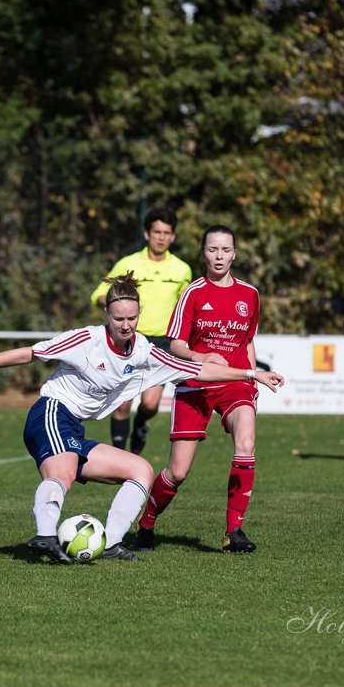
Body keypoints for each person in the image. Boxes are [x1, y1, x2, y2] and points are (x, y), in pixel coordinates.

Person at [0, 272, 284, 564]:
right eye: (118, 318)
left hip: (74, 428)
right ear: (106, 313)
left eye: (131, 319)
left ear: (138, 315)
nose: (125, 325)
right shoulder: (86, 340)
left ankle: (113, 543)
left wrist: (252, 375)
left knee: (141, 470)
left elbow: (196, 369)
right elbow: (27, 353)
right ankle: (45, 536)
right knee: (62, 473)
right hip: (50, 413)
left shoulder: (144, 351)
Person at [135, 225, 264, 553]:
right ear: (203, 253)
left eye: (225, 250)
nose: (219, 256)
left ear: (235, 253)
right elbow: (175, 344)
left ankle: (234, 531)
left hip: (235, 384)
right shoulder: (193, 293)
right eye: (212, 250)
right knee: (177, 472)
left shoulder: (250, 295)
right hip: (195, 384)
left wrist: (251, 379)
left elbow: (248, 342)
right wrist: (200, 355)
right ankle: (147, 521)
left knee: (246, 443)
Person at [89, 207, 192, 455]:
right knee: (122, 404)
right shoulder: (128, 264)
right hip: (129, 340)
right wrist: (113, 304)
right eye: (156, 231)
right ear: (147, 234)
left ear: (173, 237)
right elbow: (98, 295)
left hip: (162, 344)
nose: (161, 237)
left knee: (150, 403)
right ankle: (119, 457)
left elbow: (185, 308)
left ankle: (142, 424)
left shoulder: (182, 270)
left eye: (166, 232)